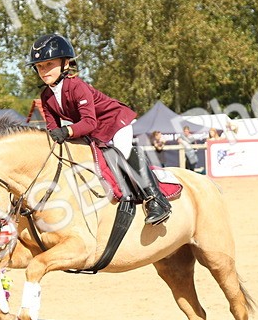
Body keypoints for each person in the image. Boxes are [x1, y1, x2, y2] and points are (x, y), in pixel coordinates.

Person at [32, 32, 171, 225]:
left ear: (65, 63)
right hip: (94, 131)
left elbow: (89, 122)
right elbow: (53, 129)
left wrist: (66, 131)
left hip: (114, 122)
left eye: (49, 64)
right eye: (39, 66)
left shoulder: (76, 86)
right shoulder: (46, 96)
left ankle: (157, 200)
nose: (43, 70)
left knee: (121, 152)